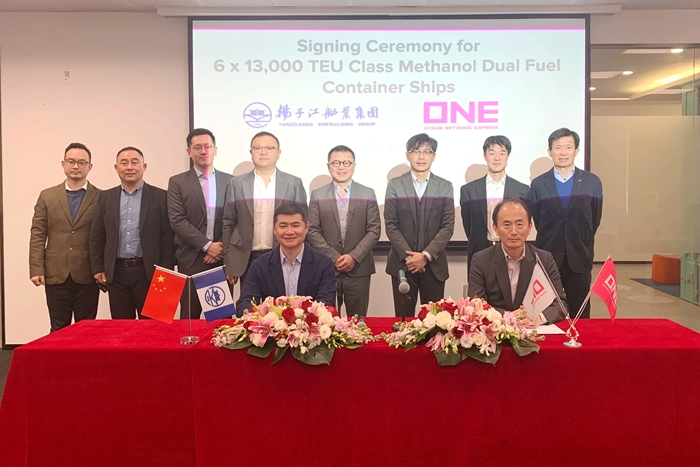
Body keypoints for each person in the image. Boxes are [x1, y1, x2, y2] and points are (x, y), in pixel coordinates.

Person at [89, 147, 176, 319]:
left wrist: (166, 272)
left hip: (151, 273)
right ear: (116, 168)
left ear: (144, 167)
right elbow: (97, 236)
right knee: (122, 328)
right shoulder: (105, 197)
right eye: (124, 163)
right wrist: (98, 267)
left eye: (135, 162)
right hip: (117, 273)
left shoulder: (161, 197)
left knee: (155, 326)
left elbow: (168, 237)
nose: (129, 167)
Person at [527, 128, 603, 319]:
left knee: (580, 311)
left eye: (568, 147)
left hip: (580, 256)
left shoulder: (592, 182)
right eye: (558, 147)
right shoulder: (538, 184)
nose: (563, 152)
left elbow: (594, 219)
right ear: (549, 151)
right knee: (547, 310)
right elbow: (537, 219)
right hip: (549, 256)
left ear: (576, 150)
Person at [29, 142, 101, 332]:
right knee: (58, 328)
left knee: (86, 329)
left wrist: (102, 268)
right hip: (55, 272)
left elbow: (104, 236)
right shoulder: (47, 196)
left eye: (81, 162)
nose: (76, 166)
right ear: (63, 164)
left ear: (90, 166)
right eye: (71, 161)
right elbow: (38, 234)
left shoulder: (101, 197)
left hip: (88, 272)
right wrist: (36, 268)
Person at [222, 131, 307, 289]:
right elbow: (228, 222)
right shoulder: (237, 183)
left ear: (278, 153)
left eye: (269, 147)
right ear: (251, 152)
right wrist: (229, 261)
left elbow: (302, 223)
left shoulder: (293, 183)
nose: (263, 152)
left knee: (280, 302)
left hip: (282, 254)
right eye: (257, 148)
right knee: (250, 303)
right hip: (245, 257)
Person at [384, 133, 454, 318]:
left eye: (427, 151)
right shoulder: (395, 185)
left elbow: (447, 226)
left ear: (434, 156)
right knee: (403, 322)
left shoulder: (445, 186)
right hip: (402, 265)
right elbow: (391, 225)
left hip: (434, 266)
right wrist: (411, 258)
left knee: (434, 324)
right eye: (416, 151)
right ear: (408, 155)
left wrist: (425, 256)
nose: (421, 156)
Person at [307, 145, 381, 319]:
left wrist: (353, 257)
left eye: (346, 162)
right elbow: (313, 230)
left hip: (359, 269)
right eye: (336, 163)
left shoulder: (367, 193)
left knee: (358, 322)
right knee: (326, 322)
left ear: (353, 166)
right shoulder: (317, 195)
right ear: (329, 166)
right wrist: (334, 257)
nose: (341, 167)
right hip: (327, 268)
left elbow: (374, 230)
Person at [468, 198, 567, 326]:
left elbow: (560, 303)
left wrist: (538, 318)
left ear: (530, 227)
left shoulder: (544, 259)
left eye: (519, 224)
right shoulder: (481, 260)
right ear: (495, 228)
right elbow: (476, 305)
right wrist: (508, 317)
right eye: (507, 225)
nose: (514, 231)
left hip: (533, 329)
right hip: (497, 330)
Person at [168, 128, 233, 319]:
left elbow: (235, 219)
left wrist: (218, 247)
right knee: (189, 320)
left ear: (215, 150)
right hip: (191, 259)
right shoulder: (178, 182)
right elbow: (177, 220)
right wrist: (207, 246)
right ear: (189, 152)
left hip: (221, 259)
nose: (203, 151)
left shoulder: (231, 181)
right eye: (197, 147)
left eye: (208, 146)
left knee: (221, 322)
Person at [236, 203, 336, 315]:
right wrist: (259, 315)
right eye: (283, 226)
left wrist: (299, 320)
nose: (289, 232)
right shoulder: (259, 265)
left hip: (309, 324)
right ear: (274, 229)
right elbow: (245, 303)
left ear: (306, 227)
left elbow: (326, 302)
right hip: (271, 324)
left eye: (295, 225)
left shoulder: (323, 263)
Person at [460, 135, 529, 269]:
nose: (497, 158)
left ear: (508, 156)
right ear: (485, 156)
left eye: (502, 153)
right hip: (479, 253)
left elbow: (524, 223)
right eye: (492, 153)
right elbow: (469, 226)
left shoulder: (522, 190)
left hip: (513, 252)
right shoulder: (469, 190)